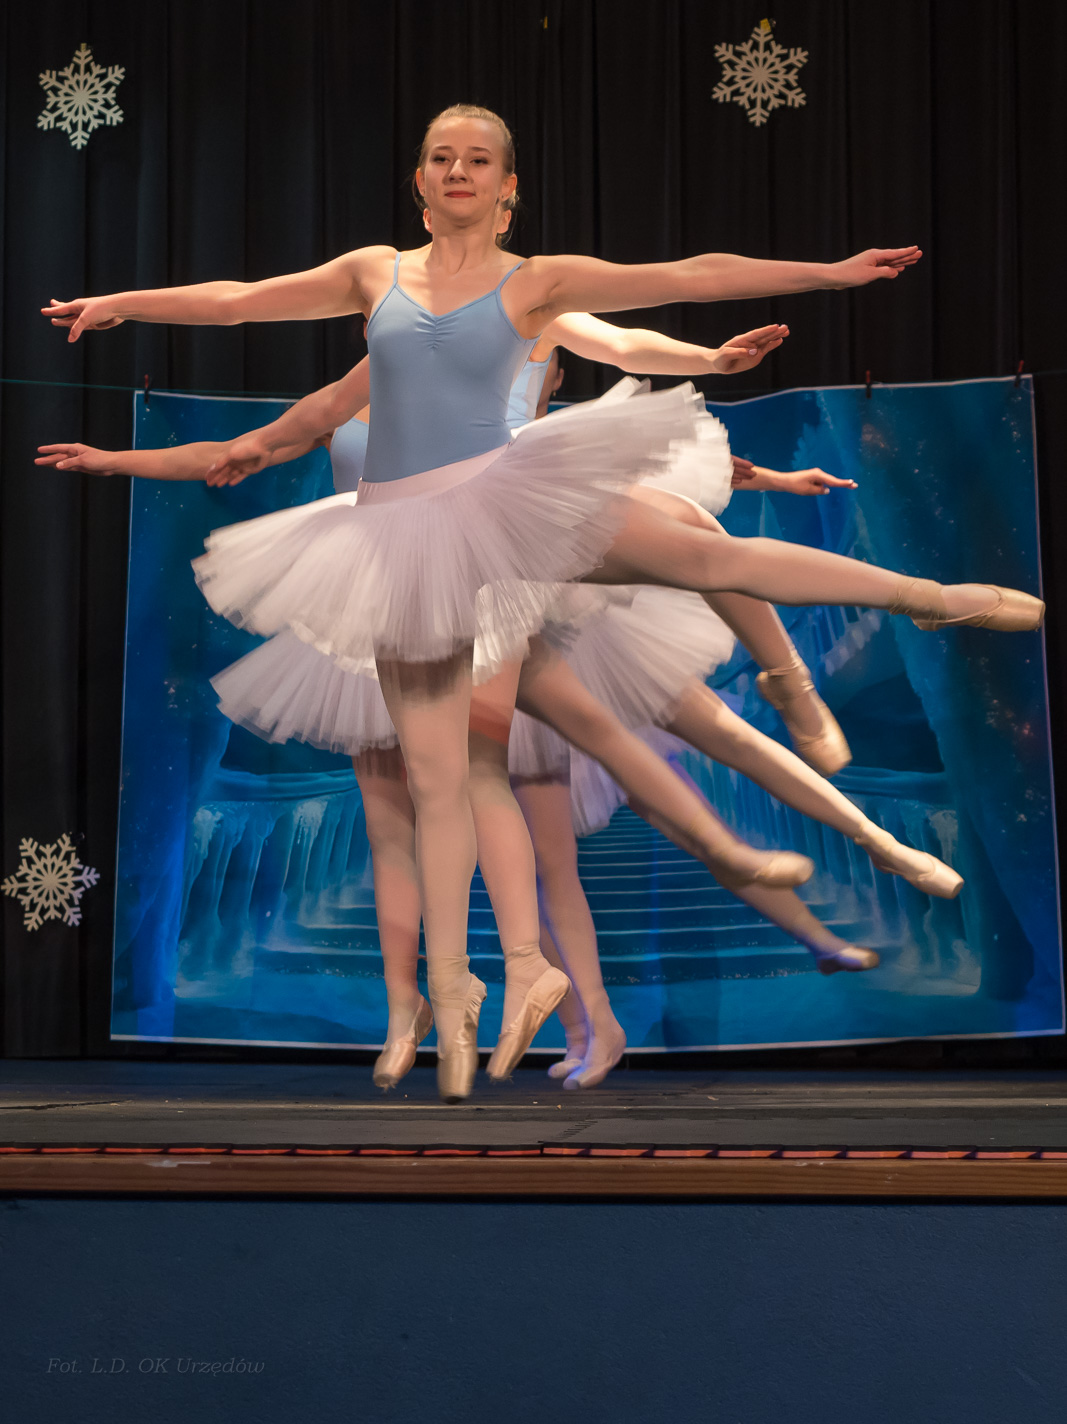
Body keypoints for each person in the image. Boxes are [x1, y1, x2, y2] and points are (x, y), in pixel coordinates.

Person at [44, 103, 1041, 1101]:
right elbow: (240, 301)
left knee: (706, 558)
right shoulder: (371, 274)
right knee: (438, 781)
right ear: (418, 181)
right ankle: (461, 990)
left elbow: (681, 280)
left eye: (477, 159)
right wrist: (123, 303)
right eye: (441, 157)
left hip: (503, 503)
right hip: (401, 541)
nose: (458, 170)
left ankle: (929, 597)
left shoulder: (535, 284)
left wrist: (824, 276)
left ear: (507, 185)